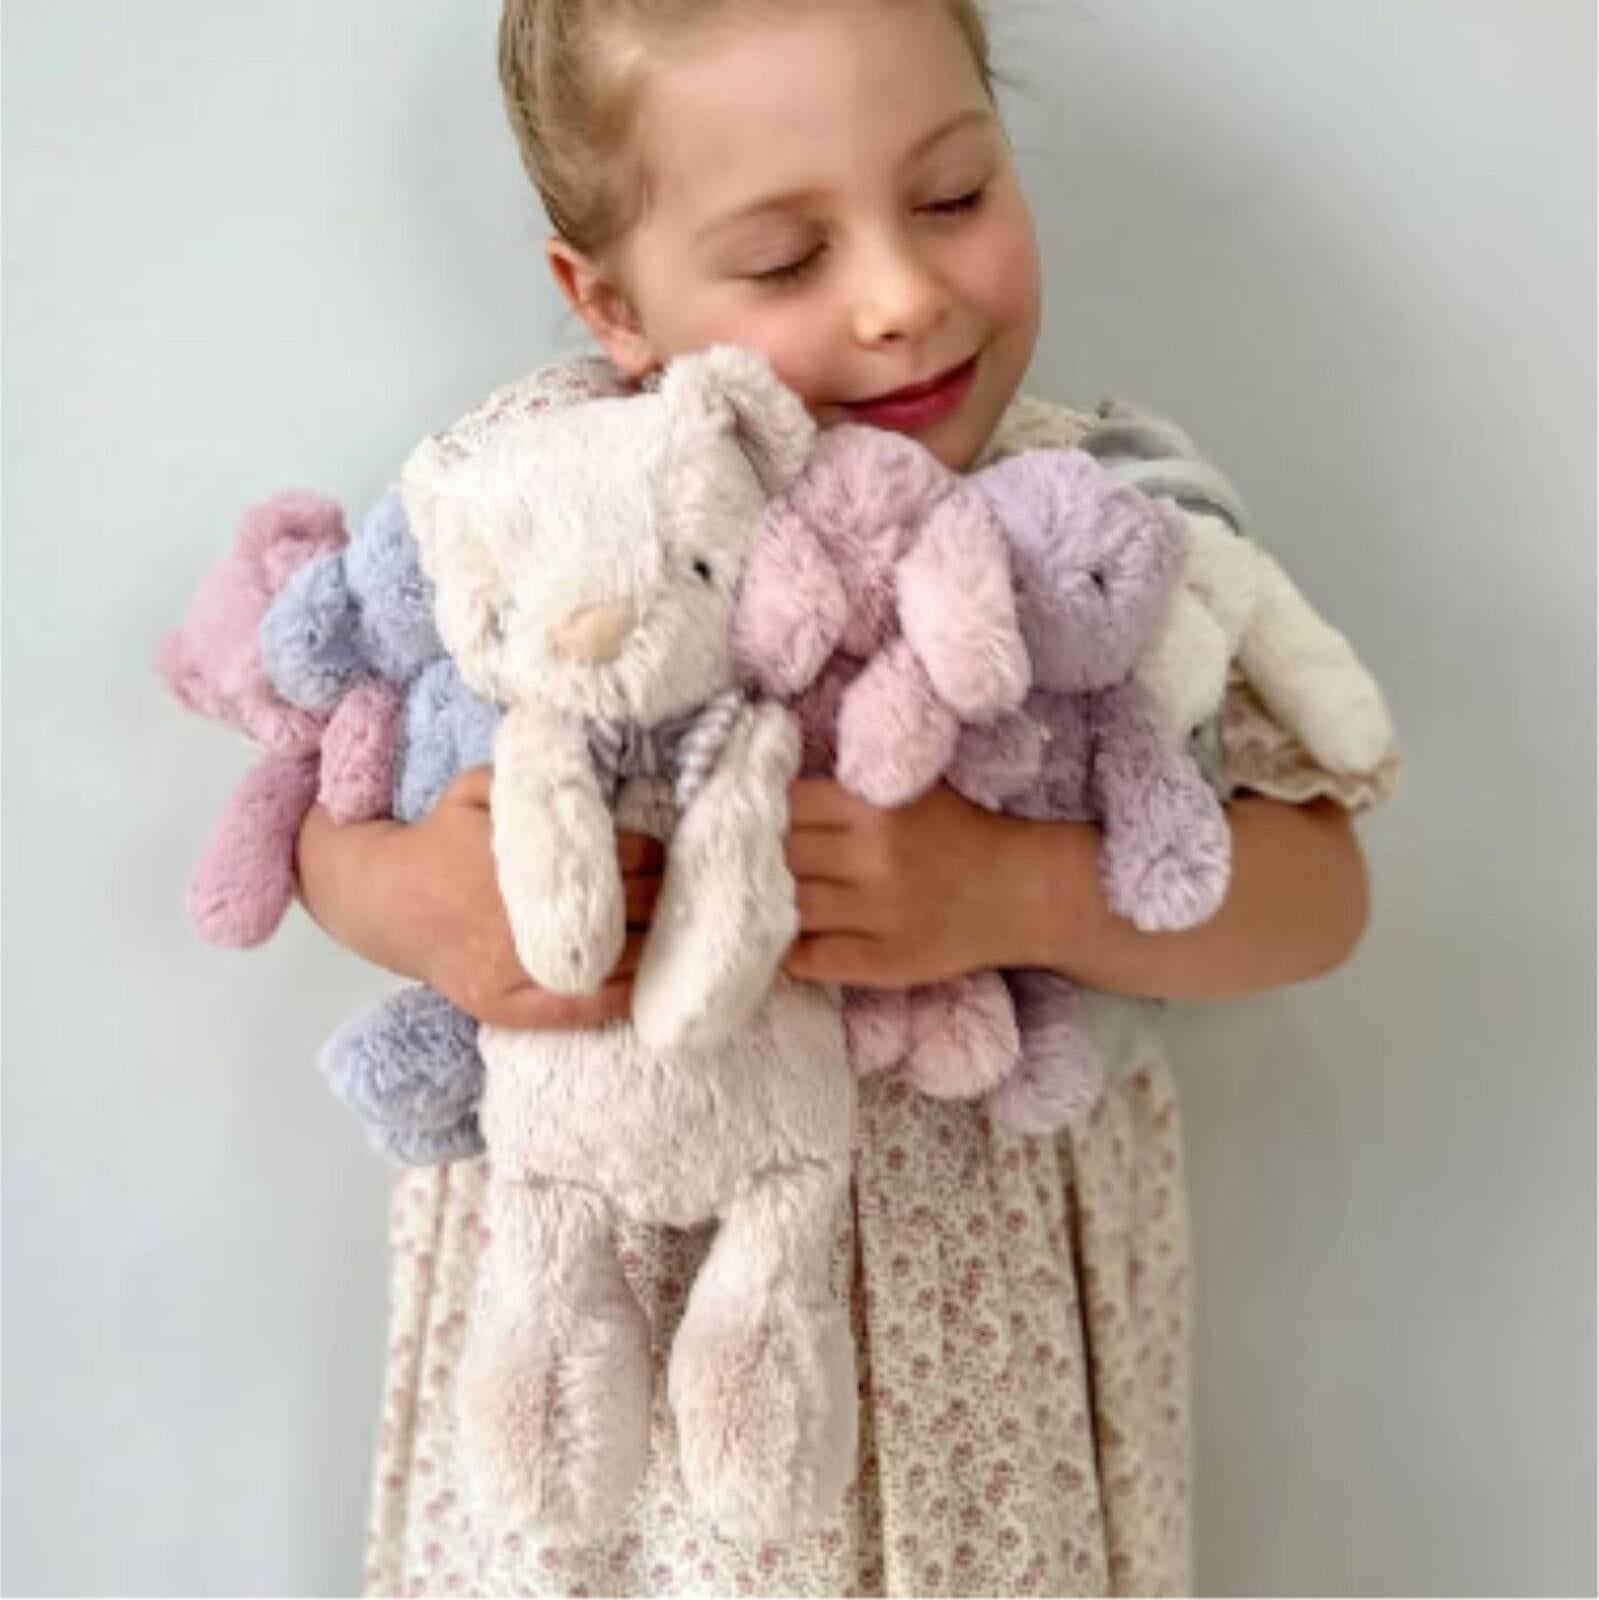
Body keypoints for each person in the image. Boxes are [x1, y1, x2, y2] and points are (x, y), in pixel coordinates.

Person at [292, 1, 1393, 1592]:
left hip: (981, 1355)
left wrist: (1013, 889)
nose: (902, 298)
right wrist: (406, 897)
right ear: (610, 301)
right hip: (611, 1326)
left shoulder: (1093, 528)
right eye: (787, 258)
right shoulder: (540, 509)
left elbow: (1322, 892)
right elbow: (316, 804)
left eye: (952, 196)